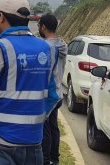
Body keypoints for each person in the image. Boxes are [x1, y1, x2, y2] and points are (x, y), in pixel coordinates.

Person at [0, 0, 59, 165]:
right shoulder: (49, 49)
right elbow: (53, 95)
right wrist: (35, 122)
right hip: (34, 142)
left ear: (0, 17)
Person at [38, 13, 68, 165]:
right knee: (53, 127)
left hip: (49, 94)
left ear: (43, 27)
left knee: (46, 129)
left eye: (39, 26)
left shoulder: (47, 47)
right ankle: (55, 159)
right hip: (59, 94)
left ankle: (46, 160)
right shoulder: (63, 45)